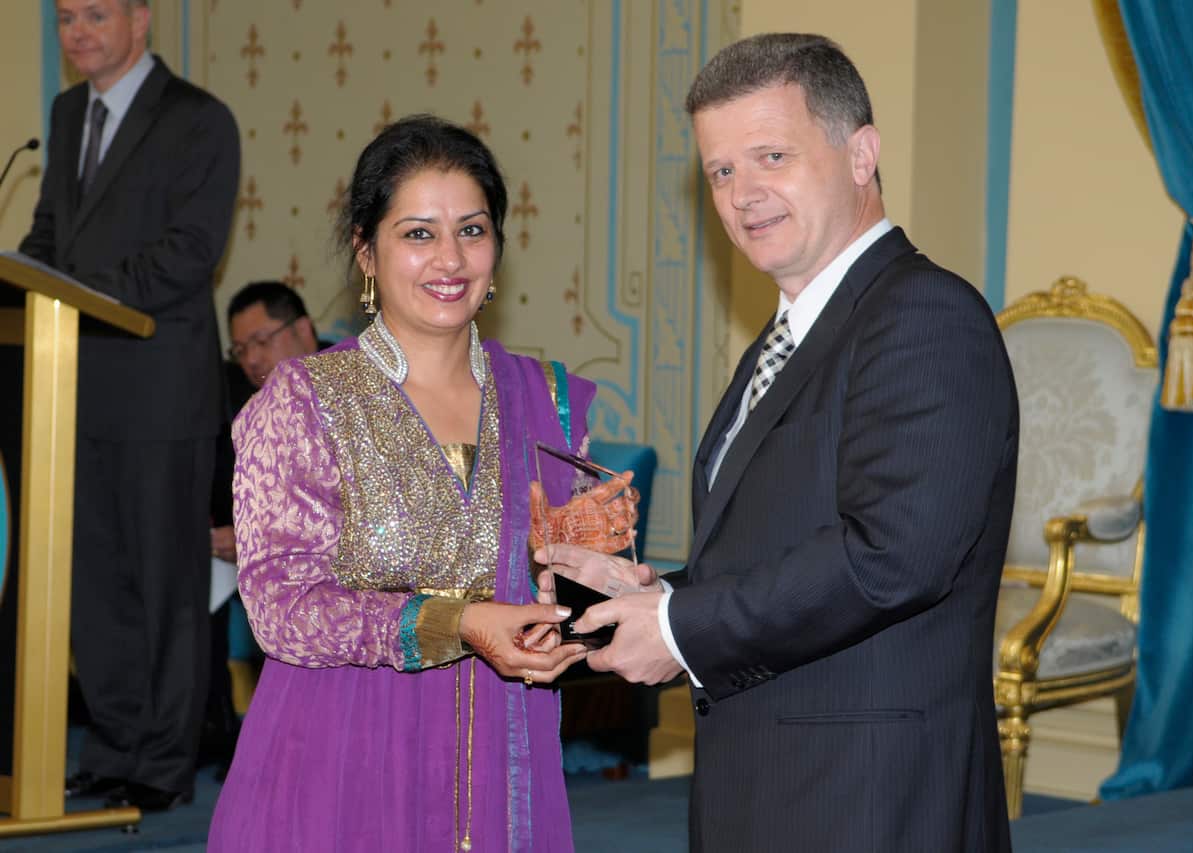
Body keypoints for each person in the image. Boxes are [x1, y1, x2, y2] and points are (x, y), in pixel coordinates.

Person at [565, 33, 1019, 852]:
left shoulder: (924, 316)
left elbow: (892, 557)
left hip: (873, 796)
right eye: (721, 171)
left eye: (771, 155)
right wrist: (653, 592)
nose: (743, 194)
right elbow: (779, 547)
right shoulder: (783, 342)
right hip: (771, 783)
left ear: (861, 154)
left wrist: (681, 627)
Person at [207, 114, 642, 853]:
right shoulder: (304, 400)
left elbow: (548, 594)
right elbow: (281, 608)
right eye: (418, 233)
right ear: (365, 250)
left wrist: (585, 575)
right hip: (339, 756)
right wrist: (456, 622)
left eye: (472, 230)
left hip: (500, 759)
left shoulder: (550, 399)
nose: (450, 258)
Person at [18, 0, 239, 812]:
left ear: (141, 19)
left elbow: (192, 251)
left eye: (96, 14)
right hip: (72, 384)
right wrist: (28, 272)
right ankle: (112, 747)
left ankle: (161, 762)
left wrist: (80, 292)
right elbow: (52, 232)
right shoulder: (69, 110)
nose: (78, 32)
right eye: (66, 18)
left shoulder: (198, 120)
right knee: (95, 584)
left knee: (164, 583)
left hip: (159, 386)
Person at [203, 282, 324, 777]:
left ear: (303, 330)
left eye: (263, 340)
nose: (252, 359)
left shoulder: (353, 391)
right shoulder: (247, 404)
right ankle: (215, 732)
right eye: (240, 349)